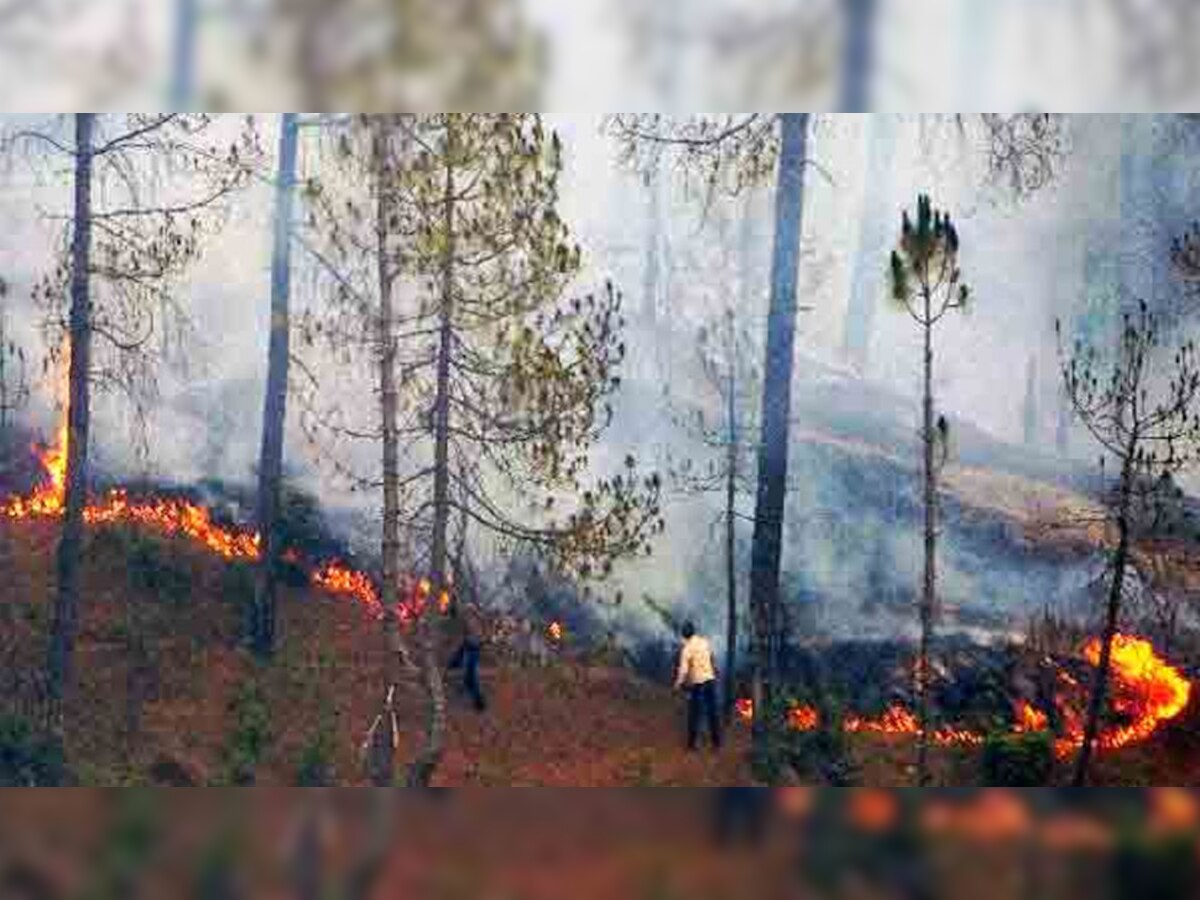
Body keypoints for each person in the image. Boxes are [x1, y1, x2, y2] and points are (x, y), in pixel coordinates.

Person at [675, 621, 721, 751]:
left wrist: (678, 684)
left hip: (698, 683)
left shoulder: (687, 649)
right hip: (710, 680)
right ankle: (716, 743)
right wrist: (714, 671)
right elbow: (712, 657)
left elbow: (683, 670)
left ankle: (691, 745)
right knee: (712, 712)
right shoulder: (704, 642)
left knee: (694, 714)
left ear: (684, 634)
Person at [448, 601, 487, 712]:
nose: (467, 613)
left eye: (469, 611)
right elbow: (459, 622)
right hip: (469, 645)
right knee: (459, 662)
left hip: (473, 646)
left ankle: (478, 701)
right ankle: (454, 671)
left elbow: (476, 634)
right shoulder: (470, 619)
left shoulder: (475, 620)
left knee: (470, 674)